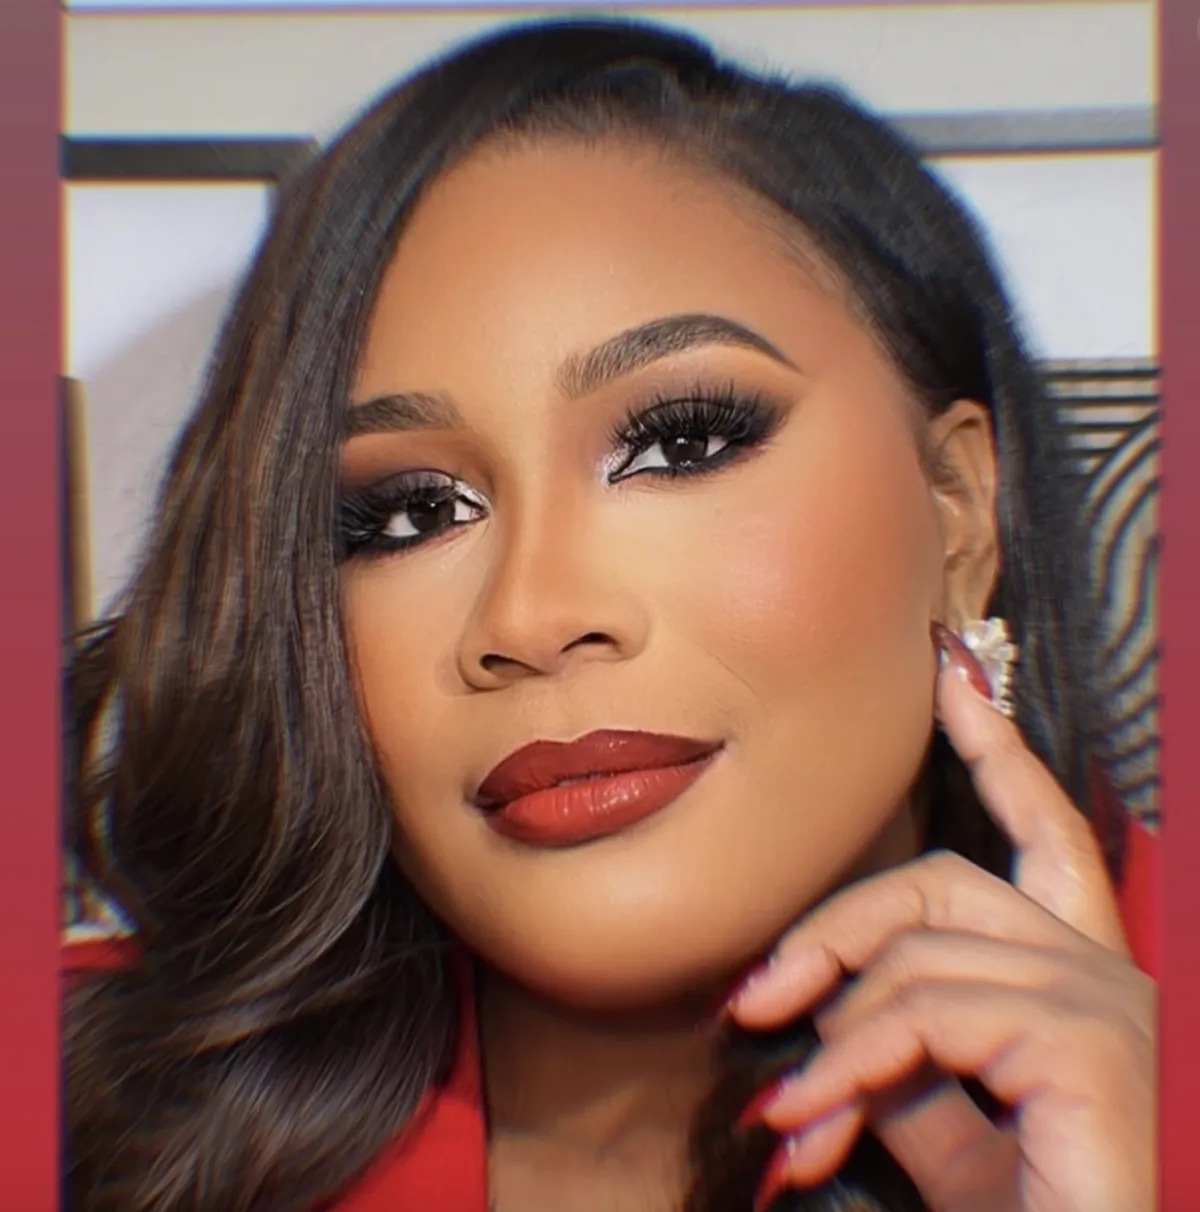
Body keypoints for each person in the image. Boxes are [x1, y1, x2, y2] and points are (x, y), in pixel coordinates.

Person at [63, 18, 1157, 1212]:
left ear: (955, 512)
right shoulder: (73, 1111)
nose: (532, 617)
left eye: (680, 444)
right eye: (409, 513)